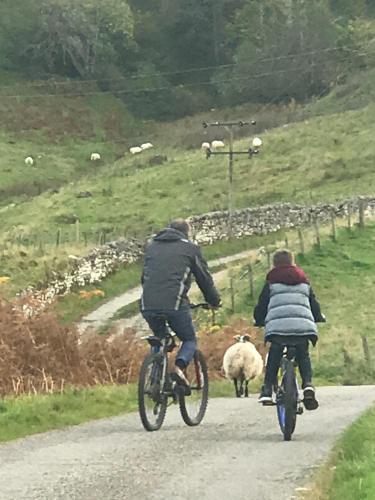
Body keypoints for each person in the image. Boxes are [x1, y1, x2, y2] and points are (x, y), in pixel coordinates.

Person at [140, 218, 221, 386]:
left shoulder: (151, 247)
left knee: (160, 337)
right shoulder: (190, 249)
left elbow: (145, 278)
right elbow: (204, 279)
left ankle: (155, 377)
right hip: (174, 304)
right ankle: (178, 368)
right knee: (189, 339)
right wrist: (214, 301)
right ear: (186, 233)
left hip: (147, 304)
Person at [253, 249, 325, 410]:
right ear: (293, 262)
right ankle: (307, 385)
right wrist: (318, 317)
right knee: (303, 354)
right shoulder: (304, 282)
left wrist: (258, 320)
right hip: (302, 328)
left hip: (277, 329)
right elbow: (313, 304)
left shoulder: (271, 282)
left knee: (274, 355)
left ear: (274, 264)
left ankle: (266, 390)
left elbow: (262, 305)